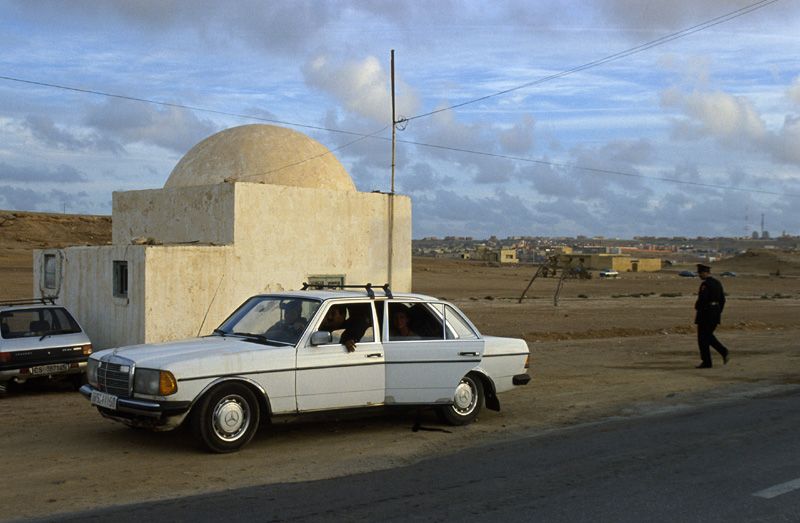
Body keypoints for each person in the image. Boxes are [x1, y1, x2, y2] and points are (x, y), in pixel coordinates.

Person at [694, 264, 730, 368]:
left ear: (705, 273)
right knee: (707, 336)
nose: (699, 275)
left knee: (703, 337)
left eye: (700, 273)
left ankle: (722, 352)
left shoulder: (705, 285)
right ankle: (708, 361)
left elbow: (703, 299)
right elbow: (722, 300)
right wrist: (718, 312)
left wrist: (697, 307)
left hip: (705, 314)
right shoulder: (717, 283)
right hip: (715, 313)